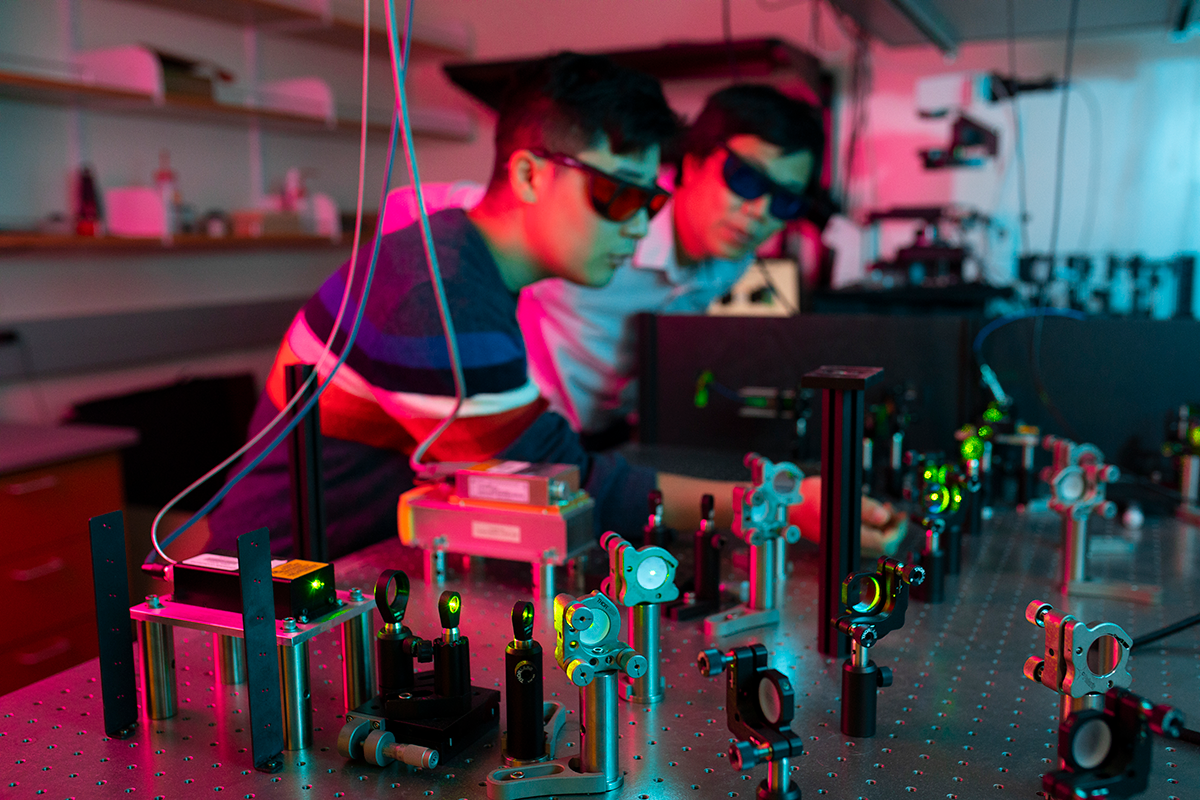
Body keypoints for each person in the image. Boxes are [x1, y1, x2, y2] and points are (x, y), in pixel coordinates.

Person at [202, 53, 899, 562]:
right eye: (617, 194)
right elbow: (566, 488)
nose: (636, 224)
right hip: (279, 587)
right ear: (530, 173)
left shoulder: (462, 269)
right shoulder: (435, 296)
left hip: (376, 562)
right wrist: (780, 506)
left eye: (647, 201)